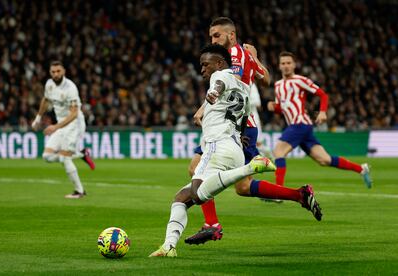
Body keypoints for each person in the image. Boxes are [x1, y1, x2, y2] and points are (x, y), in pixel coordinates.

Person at [149, 44, 322, 257]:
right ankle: (169, 247)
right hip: (233, 147)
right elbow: (243, 116)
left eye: (205, 65)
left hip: (217, 146)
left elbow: (218, 83)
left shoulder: (220, 74)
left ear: (220, 63)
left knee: (198, 193)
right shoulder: (243, 87)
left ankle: (250, 171)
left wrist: (213, 93)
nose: (202, 69)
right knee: (181, 198)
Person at [185, 16, 275, 245]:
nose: (213, 40)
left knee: (242, 186)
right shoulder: (239, 55)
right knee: (198, 169)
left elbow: (228, 85)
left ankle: (298, 195)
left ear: (231, 35)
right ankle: (211, 225)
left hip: (237, 126)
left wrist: (203, 107)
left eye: (217, 36)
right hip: (224, 124)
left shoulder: (234, 56)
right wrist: (255, 59)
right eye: (211, 37)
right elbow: (266, 80)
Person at [268, 51, 372, 188]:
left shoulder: (301, 81)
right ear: (279, 66)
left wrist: (322, 112)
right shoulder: (278, 85)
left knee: (278, 152)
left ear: (294, 65)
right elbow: (283, 108)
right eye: (283, 63)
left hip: (300, 124)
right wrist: (274, 107)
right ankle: (361, 168)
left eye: (289, 63)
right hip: (298, 126)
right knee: (325, 160)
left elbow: (323, 95)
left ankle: (278, 193)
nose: (286, 66)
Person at [31, 61, 95, 199]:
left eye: (58, 71)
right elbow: (45, 100)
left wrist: (55, 127)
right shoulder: (49, 84)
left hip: (75, 124)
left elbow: (73, 114)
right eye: (53, 72)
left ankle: (79, 192)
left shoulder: (71, 88)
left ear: (64, 71)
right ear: (50, 73)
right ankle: (81, 154)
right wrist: (38, 118)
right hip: (61, 124)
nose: (56, 74)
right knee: (46, 157)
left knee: (65, 158)